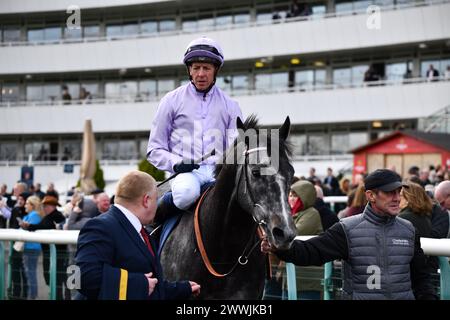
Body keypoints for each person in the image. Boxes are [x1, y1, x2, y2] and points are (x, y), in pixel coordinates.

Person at [261, 169, 438, 300]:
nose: (397, 198)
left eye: (398, 192)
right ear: (370, 195)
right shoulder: (347, 229)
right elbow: (310, 252)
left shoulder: (408, 229)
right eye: (389, 192)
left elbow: (421, 279)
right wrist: (278, 247)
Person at [147, 36, 242, 214]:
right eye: (196, 68)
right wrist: (176, 163)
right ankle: (157, 212)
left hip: (218, 173)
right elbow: (154, 149)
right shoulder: (171, 100)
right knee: (185, 194)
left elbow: (235, 147)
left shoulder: (231, 105)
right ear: (189, 70)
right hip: (187, 174)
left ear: (216, 71)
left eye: (206, 68)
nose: (200, 74)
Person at [75, 170, 200, 300]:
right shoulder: (99, 226)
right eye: (156, 200)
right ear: (146, 200)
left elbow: (151, 285)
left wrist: (183, 288)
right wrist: (138, 284)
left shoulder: (142, 231)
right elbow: (79, 277)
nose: (157, 206)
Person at [20, 196, 68, 300]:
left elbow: (42, 226)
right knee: (54, 279)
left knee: (58, 280)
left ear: (51, 206)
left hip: (57, 254)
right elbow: (40, 226)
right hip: (51, 253)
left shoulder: (57, 216)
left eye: (45, 206)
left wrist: (29, 226)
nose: (44, 208)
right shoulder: (50, 216)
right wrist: (29, 226)